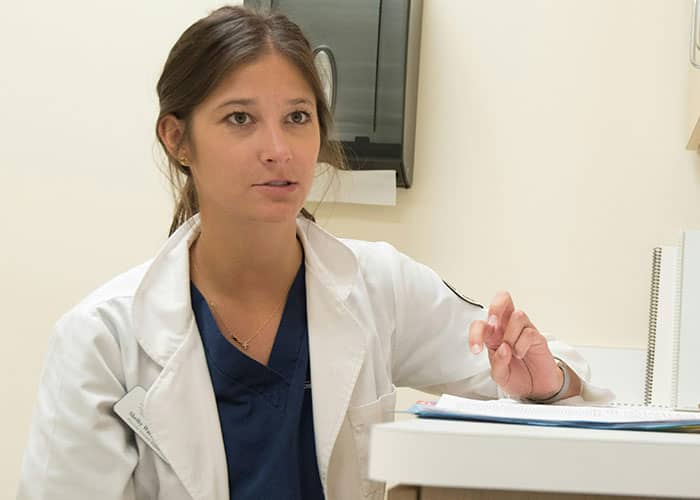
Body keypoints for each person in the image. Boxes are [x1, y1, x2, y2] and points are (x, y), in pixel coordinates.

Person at [18, 5, 610, 500]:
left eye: (297, 117)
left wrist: (547, 381)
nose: (279, 149)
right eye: (240, 118)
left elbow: (560, 382)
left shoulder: (378, 286)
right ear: (178, 139)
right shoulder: (103, 339)